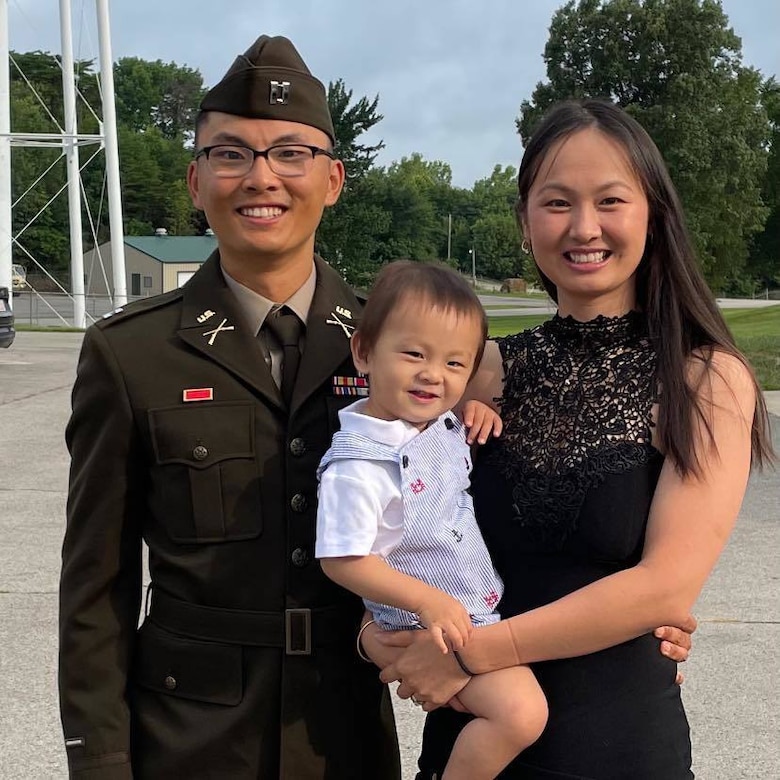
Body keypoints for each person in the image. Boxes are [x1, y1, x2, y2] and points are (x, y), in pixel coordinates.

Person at [364, 98, 774, 779]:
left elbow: (662, 588)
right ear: (524, 223)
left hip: (617, 745)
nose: (585, 227)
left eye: (611, 200)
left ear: (653, 213)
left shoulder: (705, 379)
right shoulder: (473, 372)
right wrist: (379, 635)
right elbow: (375, 513)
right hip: (476, 749)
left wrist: (471, 653)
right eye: (557, 203)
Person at [58, 34, 400, 779]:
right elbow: (96, 587)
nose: (261, 178)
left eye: (290, 153)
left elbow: (466, 517)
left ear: (335, 179)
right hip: (188, 742)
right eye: (231, 154)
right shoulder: (130, 356)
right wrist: (99, 760)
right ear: (195, 180)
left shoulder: (393, 352)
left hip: (344, 735)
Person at [316, 262, 548, 779]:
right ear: (363, 352)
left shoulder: (430, 423)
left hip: (469, 611)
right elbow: (343, 559)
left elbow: (449, 442)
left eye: (454, 364)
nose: (432, 374)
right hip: (429, 623)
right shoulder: (361, 462)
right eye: (414, 354)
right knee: (522, 713)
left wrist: (474, 413)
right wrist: (427, 602)